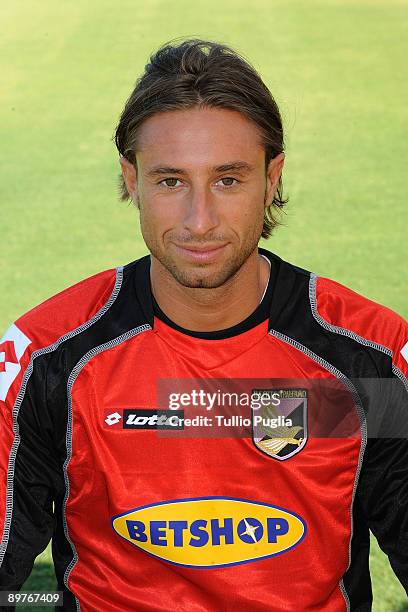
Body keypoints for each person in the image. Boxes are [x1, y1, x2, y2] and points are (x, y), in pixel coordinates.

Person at [0, 37, 407, 612]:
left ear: (272, 179)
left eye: (228, 179)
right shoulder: (46, 359)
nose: (200, 221)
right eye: (170, 181)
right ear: (130, 180)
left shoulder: (368, 359)